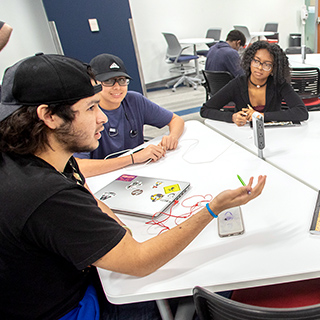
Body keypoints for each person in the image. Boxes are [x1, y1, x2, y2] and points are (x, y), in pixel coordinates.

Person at [0, 53, 266, 319]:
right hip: (76, 308)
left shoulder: (31, 157)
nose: (102, 118)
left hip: (60, 284)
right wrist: (213, 208)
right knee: (216, 282)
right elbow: (139, 262)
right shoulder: (47, 195)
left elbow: (90, 199)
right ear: (49, 116)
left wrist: (116, 228)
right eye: (91, 107)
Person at [74, 53, 185, 177]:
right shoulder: (84, 112)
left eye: (121, 80)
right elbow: (78, 167)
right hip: (103, 177)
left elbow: (176, 119)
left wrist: (173, 137)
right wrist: (132, 158)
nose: (117, 87)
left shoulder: (134, 100)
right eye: (108, 81)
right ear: (94, 83)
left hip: (139, 171)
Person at [200, 41, 309, 126]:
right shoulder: (237, 84)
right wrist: (232, 117)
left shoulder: (279, 84)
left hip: (274, 135)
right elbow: (205, 110)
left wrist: (260, 116)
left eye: (267, 64)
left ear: (274, 69)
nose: (260, 68)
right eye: (256, 61)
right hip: (242, 135)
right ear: (249, 61)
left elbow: (301, 112)